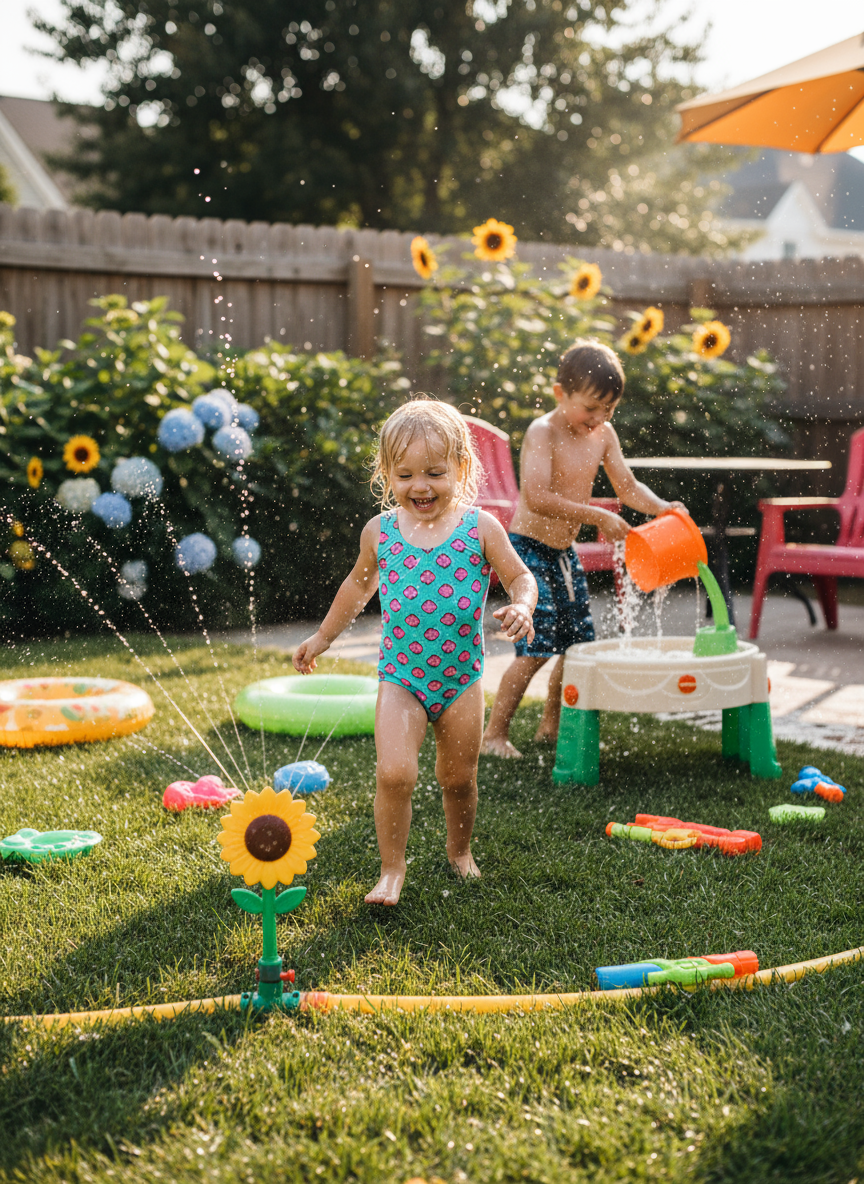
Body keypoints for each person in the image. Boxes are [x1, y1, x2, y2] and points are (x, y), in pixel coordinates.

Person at [293, 397, 537, 906]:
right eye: (404, 475)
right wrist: (322, 638)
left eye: (434, 472)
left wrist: (523, 605)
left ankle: (459, 851)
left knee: (458, 779)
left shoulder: (481, 529)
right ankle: (391, 870)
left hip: (461, 680)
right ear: (386, 474)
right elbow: (356, 589)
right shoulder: (380, 533)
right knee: (394, 774)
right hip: (401, 677)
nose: (419, 486)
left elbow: (519, 576)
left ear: (461, 469)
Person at [480, 339, 687, 759]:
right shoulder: (544, 432)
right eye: (591, 407)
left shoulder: (603, 434)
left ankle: (551, 727)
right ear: (561, 394)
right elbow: (535, 497)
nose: (599, 418)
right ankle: (494, 735)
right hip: (528, 551)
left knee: (577, 646)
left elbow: (627, 487)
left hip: (563, 551)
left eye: (608, 410)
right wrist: (598, 517)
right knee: (537, 648)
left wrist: (663, 508)